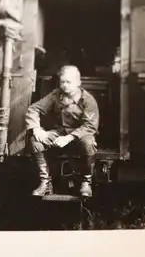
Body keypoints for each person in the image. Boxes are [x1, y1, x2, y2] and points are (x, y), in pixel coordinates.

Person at [25, 65, 99, 198]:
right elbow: (34, 109)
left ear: (78, 83)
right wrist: (36, 128)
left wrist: (69, 138)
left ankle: (86, 182)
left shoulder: (87, 100)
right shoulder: (56, 95)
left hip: (79, 136)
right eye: (62, 82)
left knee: (89, 142)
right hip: (59, 133)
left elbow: (90, 126)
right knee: (35, 141)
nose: (65, 85)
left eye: (68, 82)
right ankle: (45, 183)